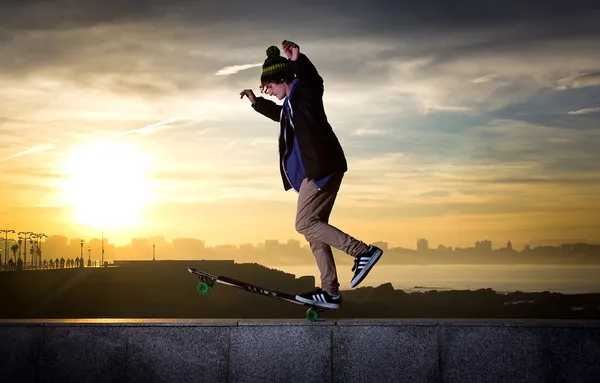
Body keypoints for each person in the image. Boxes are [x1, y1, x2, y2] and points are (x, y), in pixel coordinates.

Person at [239, 40, 383, 310]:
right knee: (314, 231)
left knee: (304, 223)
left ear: (282, 78)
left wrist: (298, 60)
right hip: (318, 169)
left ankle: (363, 251)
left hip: (321, 169)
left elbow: (315, 82)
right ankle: (330, 291)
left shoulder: (305, 93)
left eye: (268, 86)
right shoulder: (292, 106)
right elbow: (280, 115)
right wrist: (256, 102)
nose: (267, 91)